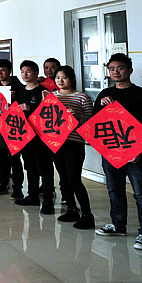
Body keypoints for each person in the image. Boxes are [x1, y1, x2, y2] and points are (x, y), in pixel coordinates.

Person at [94, 53, 142, 251]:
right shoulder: (105, 94)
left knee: (141, 193)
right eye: (112, 69)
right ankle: (118, 224)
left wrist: (140, 149)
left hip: (135, 154)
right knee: (114, 190)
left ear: (130, 70)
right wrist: (102, 107)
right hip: (111, 152)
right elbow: (95, 123)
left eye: (120, 68)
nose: (116, 72)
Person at [52, 65, 95, 229]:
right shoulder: (51, 96)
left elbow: (91, 122)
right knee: (63, 178)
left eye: (64, 77)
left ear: (72, 79)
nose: (60, 81)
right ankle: (71, 209)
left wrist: (78, 116)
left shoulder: (82, 97)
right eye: (58, 77)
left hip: (74, 142)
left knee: (74, 179)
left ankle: (87, 214)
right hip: (56, 142)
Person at [14, 60, 55, 215]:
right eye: (22, 71)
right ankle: (32, 196)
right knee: (29, 166)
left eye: (28, 71)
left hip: (41, 136)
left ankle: (48, 200)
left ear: (37, 73)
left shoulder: (43, 91)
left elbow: (49, 113)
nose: (25, 74)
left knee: (44, 167)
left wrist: (31, 108)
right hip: (24, 134)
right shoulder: (19, 90)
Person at [0, 59, 24, 196]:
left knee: (14, 159)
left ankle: (17, 188)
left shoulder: (19, 87)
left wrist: (14, 99)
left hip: (12, 128)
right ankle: (2, 184)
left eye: (3, 70)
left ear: (10, 71)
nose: (0, 73)